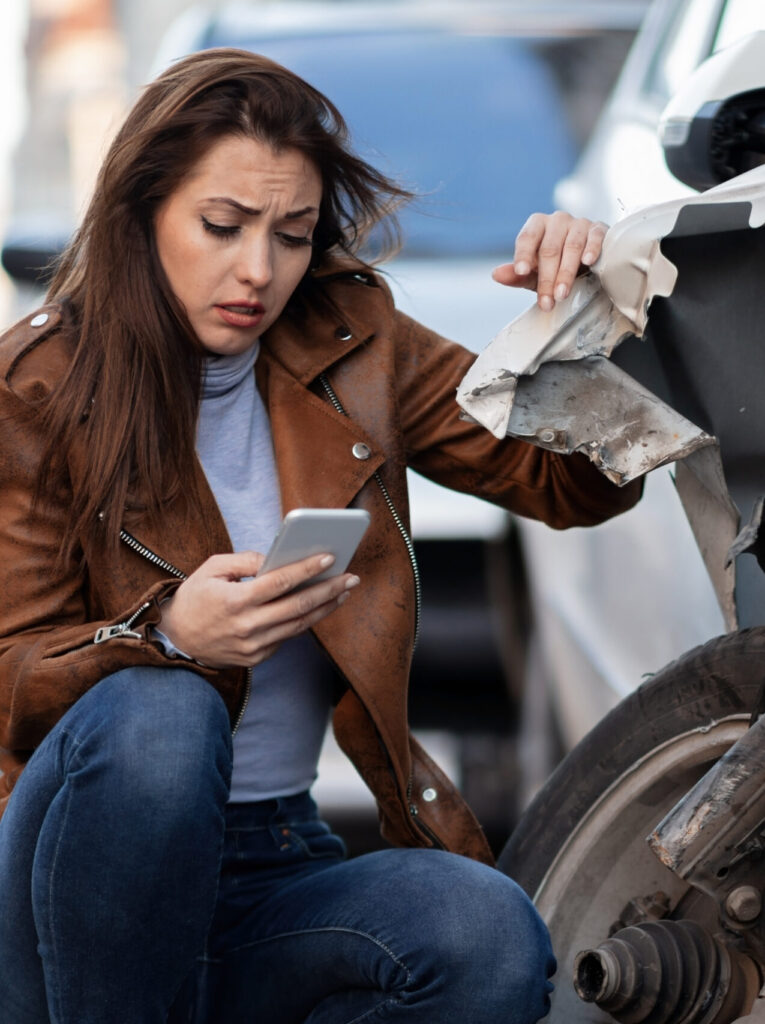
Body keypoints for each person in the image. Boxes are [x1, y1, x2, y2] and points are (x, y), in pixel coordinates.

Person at [0, 49, 639, 1024]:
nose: (258, 270)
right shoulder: (37, 381)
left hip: (273, 861)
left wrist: (585, 318)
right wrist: (169, 635)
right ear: (142, 214)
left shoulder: (354, 339)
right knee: (163, 717)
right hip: (69, 886)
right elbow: (9, 671)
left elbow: (567, 485)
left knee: (485, 936)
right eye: (222, 226)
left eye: (292, 235)